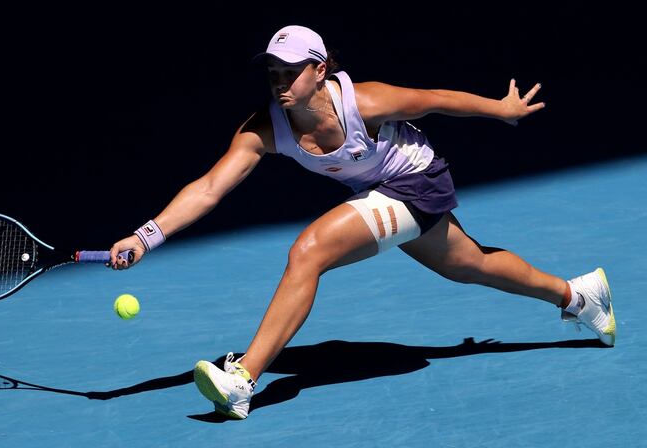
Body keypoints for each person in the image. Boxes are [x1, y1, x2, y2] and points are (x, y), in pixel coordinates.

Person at [108, 25, 615, 419]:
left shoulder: (364, 101)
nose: (280, 82)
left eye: (291, 71)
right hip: (377, 192)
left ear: (321, 69)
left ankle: (243, 379)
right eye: (273, 73)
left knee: (309, 251)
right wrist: (145, 236)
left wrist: (501, 110)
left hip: (416, 183)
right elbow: (209, 188)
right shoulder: (264, 127)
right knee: (469, 264)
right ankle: (579, 296)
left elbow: (435, 99)